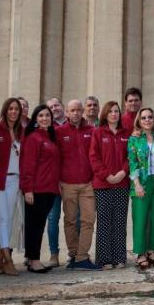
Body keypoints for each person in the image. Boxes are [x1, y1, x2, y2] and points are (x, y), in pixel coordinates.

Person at [0, 98, 25, 276]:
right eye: (10, 109)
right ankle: (8, 260)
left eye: (16, 109)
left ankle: (0, 261)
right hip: (0, 180)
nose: (14, 112)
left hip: (15, 181)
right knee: (2, 219)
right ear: (5, 110)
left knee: (10, 219)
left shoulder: (21, 132)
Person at [58, 99, 99, 271]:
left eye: (78, 110)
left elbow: (96, 155)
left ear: (82, 111)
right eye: (72, 110)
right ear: (66, 112)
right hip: (67, 184)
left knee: (88, 220)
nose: (75, 113)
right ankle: (73, 254)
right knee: (70, 221)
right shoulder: (59, 132)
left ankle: (83, 256)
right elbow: (56, 158)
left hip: (87, 184)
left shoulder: (91, 130)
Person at [20, 105, 61, 273]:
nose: (45, 118)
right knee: (34, 225)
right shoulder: (34, 138)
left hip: (49, 189)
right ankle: (34, 260)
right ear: (35, 119)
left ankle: (31, 258)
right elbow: (27, 165)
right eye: (41, 115)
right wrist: (28, 189)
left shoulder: (50, 137)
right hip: (37, 189)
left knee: (39, 224)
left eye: (47, 115)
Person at [89, 101, 131, 269]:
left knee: (120, 222)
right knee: (104, 222)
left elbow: (131, 156)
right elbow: (94, 157)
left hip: (122, 183)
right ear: (105, 114)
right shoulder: (98, 133)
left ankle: (120, 257)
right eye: (111, 111)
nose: (114, 114)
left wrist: (122, 173)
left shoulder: (125, 133)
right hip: (103, 185)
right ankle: (104, 259)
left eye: (117, 111)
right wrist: (107, 176)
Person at [129, 107, 154, 270]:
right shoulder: (134, 140)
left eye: (150, 117)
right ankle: (140, 253)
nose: (147, 120)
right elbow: (132, 163)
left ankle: (152, 251)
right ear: (139, 120)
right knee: (141, 219)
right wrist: (137, 184)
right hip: (141, 183)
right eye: (143, 117)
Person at [44, 96, 66, 266]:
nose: (54, 108)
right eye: (50, 107)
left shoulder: (71, 125)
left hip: (72, 180)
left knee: (75, 218)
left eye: (56, 105)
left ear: (62, 106)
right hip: (52, 182)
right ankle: (54, 254)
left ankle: (76, 253)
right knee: (52, 219)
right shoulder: (45, 128)